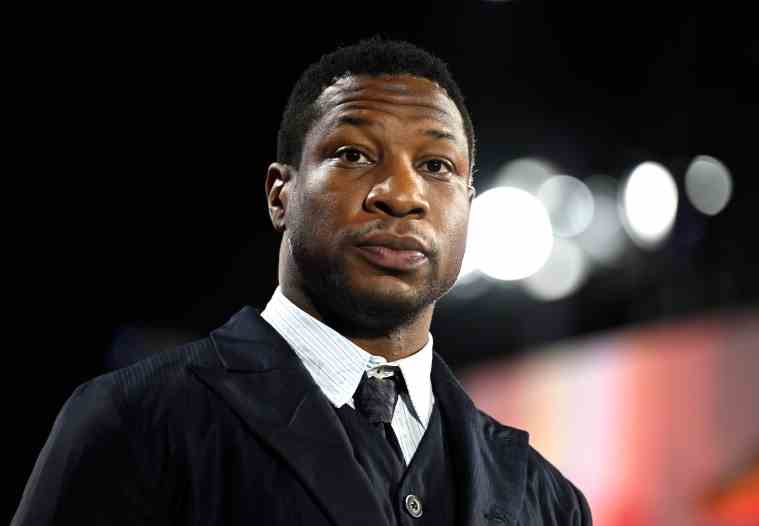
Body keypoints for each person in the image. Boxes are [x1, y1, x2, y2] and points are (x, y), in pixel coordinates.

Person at [13, 38, 591, 525]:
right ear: (279, 195)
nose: (402, 193)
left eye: (436, 166)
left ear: (467, 205)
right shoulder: (133, 422)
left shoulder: (547, 499)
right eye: (354, 153)